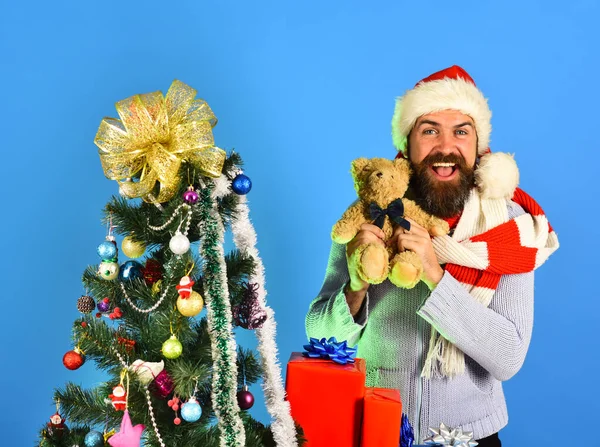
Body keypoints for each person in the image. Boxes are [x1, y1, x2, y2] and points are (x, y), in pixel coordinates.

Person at [305, 65, 559, 446]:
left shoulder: (511, 230)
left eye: (461, 131)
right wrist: (355, 286)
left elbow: (508, 358)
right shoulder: (373, 213)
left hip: (470, 437)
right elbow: (318, 336)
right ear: (407, 144)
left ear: (478, 146)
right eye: (429, 130)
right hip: (375, 430)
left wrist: (437, 278)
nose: (445, 147)